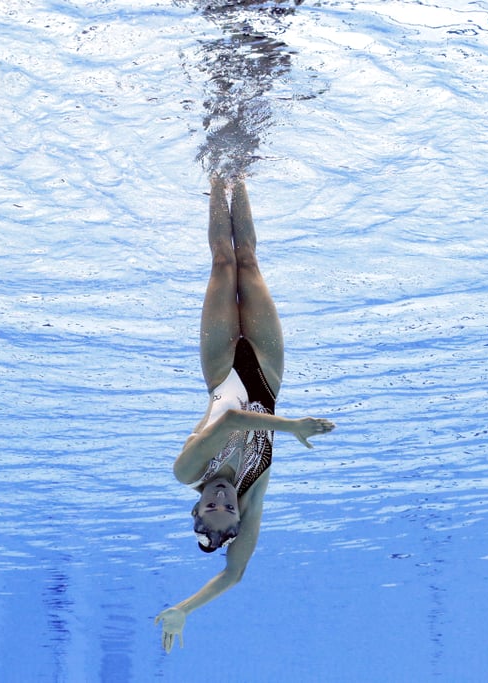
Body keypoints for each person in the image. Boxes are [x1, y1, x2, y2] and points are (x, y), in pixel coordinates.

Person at [155, 177, 335, 651]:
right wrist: (182, 610)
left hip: (221, 369)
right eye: (228, 508)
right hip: (268, 371)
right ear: (238, 515)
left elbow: (233, 422)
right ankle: (239, 174)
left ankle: (216, 176)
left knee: (222, 261)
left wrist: (293, 427)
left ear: (195, 509)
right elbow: (234, 573)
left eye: (209, 507)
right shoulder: (252, 497)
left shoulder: (187, 472)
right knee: (250, 260)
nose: (220, 499)